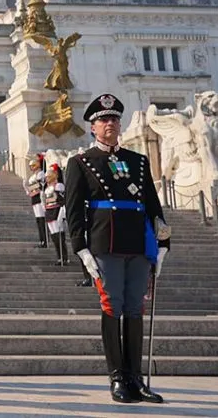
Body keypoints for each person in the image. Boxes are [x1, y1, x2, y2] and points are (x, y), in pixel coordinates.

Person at [64, 93, 171, 404]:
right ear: (93, 127)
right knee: (112, 305)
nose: (109, 123)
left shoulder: (138, 161)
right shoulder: (81, 162)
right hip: (105, 242)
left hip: (137, 241)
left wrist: (163, 243)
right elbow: (74, 210)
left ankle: (136, 378)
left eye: (113, 119)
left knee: (135, 307)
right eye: (103, 120)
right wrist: (81, 249)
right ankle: (117, 377)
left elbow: (152, 204)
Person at [43, 163, 69, 266]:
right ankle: (59, 257)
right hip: (49, 211)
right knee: (54, 236)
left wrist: (62, 214)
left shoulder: (58, 186)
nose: (46, 179)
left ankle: (64, 257)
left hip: (57, 211)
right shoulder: (47, 187)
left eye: (48, 177)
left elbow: (62, 200)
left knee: (59, 236)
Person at [25, 154, 48, 249]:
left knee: (41, 219)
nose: (31, 168)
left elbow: (40, 186)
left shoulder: (41, 174)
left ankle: (45, 240)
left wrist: (30, 189)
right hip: (34, 198)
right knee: (38, 220)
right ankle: (41, 239)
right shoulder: (34, 175)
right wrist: (27, 188)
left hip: (39, 198)